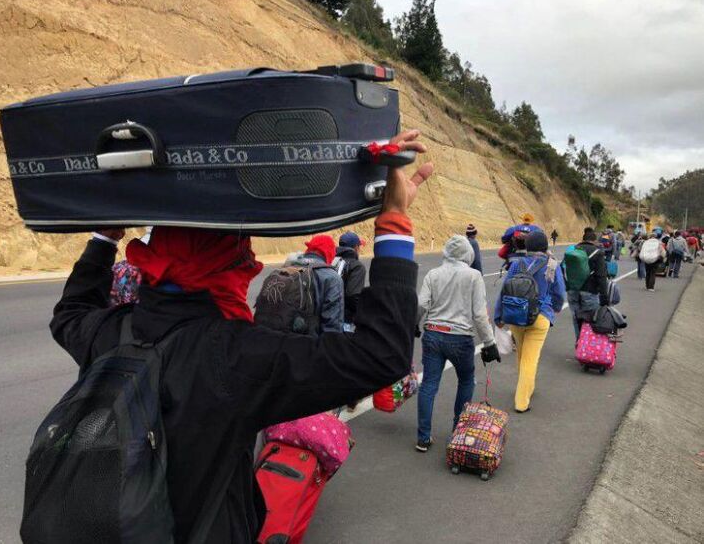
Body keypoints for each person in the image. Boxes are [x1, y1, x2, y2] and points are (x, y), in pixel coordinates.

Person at [48, 129, 433, 543]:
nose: (249, 262)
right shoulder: (234, 358)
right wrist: (393, 220)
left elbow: (70, 313)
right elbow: (382, 355)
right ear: (221, 268)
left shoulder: (112, 330)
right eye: (241, 254)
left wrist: (103, 238)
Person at [416, 235, 499, 452]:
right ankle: (457, 432)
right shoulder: (473, 276)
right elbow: (480, 314)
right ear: (467, 254)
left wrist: (414, 324)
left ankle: (423, 437)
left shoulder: (433, 274)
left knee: (429, 385)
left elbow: (422, 304)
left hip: (433, 334)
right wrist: (489, 342)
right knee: (466, 381)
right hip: (460, 338)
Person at [494, 231, 565, 413]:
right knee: (530, 359)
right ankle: (522, 401)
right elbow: (559, 292)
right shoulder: (552, 265)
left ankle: (526, 387)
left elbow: (504, 290)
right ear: (545, 246)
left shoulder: (517, 264)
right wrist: (554, 308)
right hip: (539, 316)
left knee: (522, 356)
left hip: (516, 314)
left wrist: (498, 316)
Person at [292, 234, 344, 333]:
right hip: (311, 344)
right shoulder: (332, 278)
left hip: (281, 341)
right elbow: (332, 325)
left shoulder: (288, 269)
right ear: (329, 253)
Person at [567, 228, 609, 341]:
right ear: (594, 241)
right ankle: (587, 346)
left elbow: (564, 268)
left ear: (583, 239)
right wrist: (604, 296)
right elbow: (601, 276)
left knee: (576, 318)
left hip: (572, 290)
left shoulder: (573, 250)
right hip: (590, 290)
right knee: (590, 319)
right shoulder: (597, 252)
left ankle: (579, 341)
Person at [334, 231, 368, 330]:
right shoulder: (357, 266)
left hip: (328, 317)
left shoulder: (332, 262)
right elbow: (353, 295)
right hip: (345, 321)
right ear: (356, 247)